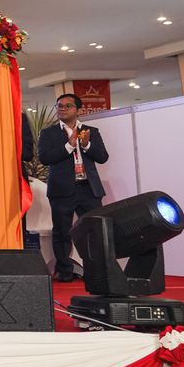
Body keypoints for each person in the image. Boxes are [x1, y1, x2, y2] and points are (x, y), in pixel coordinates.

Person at [39, 92, 109, 281]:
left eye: (67, 106)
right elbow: (45, 158)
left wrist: (86, 145)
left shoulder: (91, 131)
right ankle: (64, 271)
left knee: (94, 231)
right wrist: (69, 146)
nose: (62, 109)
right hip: (62, 190)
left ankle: (95, 271)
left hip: (89, 189)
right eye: (59, 106)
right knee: (62, 231)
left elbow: (103, 157)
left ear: (78, 110)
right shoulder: (49, 133)